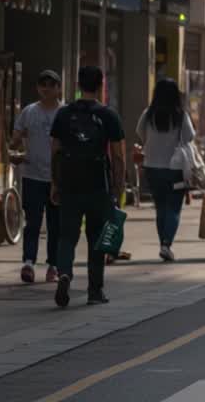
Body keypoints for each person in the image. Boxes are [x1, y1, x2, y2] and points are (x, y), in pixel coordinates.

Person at [51, 66, 126, 307]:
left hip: (70, 182)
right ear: (101, 85)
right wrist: (118, 186)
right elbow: (118, 156)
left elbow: (55, 151)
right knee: (96, 236)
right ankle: (95, 291)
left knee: (67, 235)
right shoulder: (109, 116)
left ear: (78, 84)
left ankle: (64, 273)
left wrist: (55, 182)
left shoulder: (64, 114)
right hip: (98, 184)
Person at [136, 78, 197, 262]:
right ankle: (166, 244)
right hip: (175, 169)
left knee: (160, 207)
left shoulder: (148, 114)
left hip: (152, 167)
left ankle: (163, 242)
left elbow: (140, 133)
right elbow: (189, 137)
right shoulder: (180, 115)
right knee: (174, 208)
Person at [14, 70, 64, 284]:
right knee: (32, 221)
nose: (46, 88)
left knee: (55, 224)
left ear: (58, 88)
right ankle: (28, 262)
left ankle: (53, 265)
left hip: (58, 177)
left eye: (50, 85)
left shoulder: (65, 112)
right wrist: (13, 151)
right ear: (37, 88)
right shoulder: (29, 112)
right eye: (42, 84)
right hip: (32, 174)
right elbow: (15, 139)